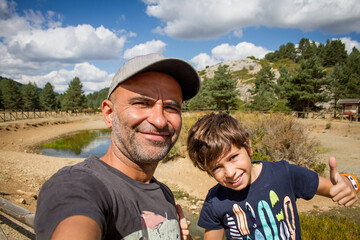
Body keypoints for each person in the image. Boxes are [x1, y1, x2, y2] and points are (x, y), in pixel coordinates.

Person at [34, 53, 201, 239]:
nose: (160, 120)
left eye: (171, 107)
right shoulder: (77, 185)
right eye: (142, 103)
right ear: (109, 113)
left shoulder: (163, 193)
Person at [186, 112, 359, 240]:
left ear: (248, 147)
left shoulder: (285, 174)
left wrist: (349, 183)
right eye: (217, 168)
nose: (230, 173)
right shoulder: (215, 201)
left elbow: (336, 188)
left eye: (233, 157)